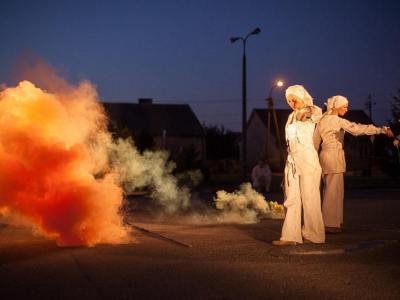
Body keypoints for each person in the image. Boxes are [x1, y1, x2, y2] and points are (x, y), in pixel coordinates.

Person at [313, 95, 393, 233]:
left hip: (324, 157)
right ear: (336, 107)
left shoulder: (321, 121)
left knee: (330, 189)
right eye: (344, 106)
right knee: (333, 191)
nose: (347, 109)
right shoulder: (337, 121)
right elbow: (357, 129)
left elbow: (314, 143)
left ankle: (332, 222)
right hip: (334, 157)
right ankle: (330, 224)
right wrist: (380, 130)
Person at [272, 85, 325, 246]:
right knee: (291, 198)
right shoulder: (290, 117)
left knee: (310, 198)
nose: (292, 103)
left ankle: (314, 235)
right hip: (292, 160)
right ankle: (291, 236)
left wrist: (306, 112)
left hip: (308, 160)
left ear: (302, 97)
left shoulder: (312, 110)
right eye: (289, 101)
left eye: (294, 100)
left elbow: (316, 114)